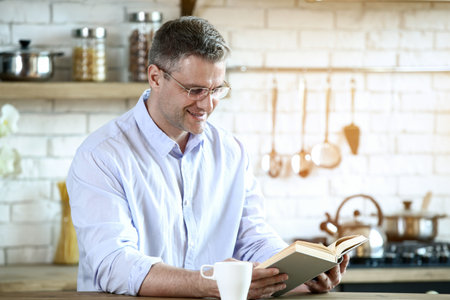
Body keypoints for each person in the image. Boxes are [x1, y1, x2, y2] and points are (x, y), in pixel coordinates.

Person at [66, 16, 349, 298]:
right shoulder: (101, 156)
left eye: (216, 90)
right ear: (155, 77)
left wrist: (300, 271)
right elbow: (114, 265)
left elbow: (252, 238)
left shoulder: (231, 151)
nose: (207, 104)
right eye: (195, 90)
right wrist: (207, 284)